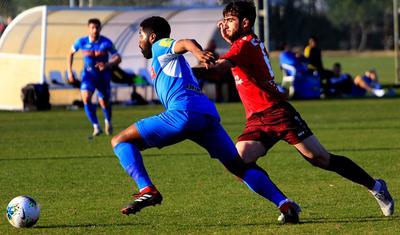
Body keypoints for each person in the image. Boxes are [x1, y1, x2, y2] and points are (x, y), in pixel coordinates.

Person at [196, 0, 394, 219]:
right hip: (256, 119)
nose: (224, 25)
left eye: (230, 21)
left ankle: (376, 187)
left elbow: (216, 71)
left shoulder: (244, 45)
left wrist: (182, 66)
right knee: (237, 162)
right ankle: (286, 205)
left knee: (320, 159)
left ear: (245, 23)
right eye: (224, 20)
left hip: (278, 112)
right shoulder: (242, 43)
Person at [110, 16, 301, 224]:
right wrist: (199, 56)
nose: (139, 40)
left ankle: (147, 189)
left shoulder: (159, 46)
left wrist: (199, 53)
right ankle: (285, 204)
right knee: (239, 167)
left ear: (152, 36)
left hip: (183, 113)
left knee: (120, 141)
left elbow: (184, 42)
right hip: (206, 115)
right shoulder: (169, 61)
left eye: (140, 34)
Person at [67, 18, 121, 136]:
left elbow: (118, 57)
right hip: (88, 76)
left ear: (100, 28)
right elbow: (70, 53)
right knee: (86, 98)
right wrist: (69, 72)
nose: (95, 30)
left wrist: (108, 64)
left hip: (103, 77)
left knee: (104, 102)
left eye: (97, 27)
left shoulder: (106, 42)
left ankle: (108, 121)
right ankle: (96, 126)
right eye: (92, 27)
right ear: (88, 29)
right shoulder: (81, 42)